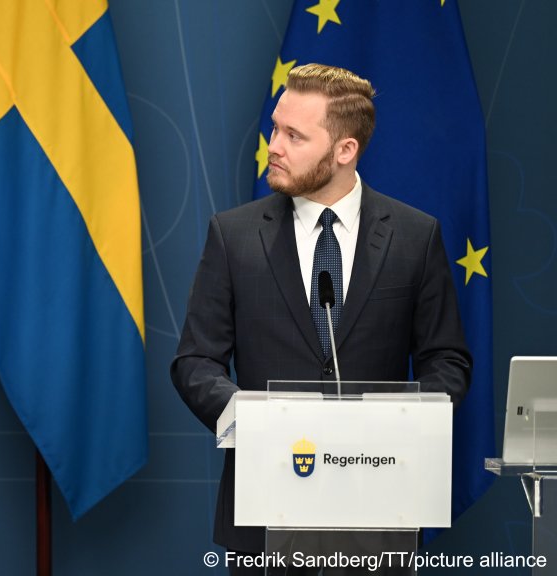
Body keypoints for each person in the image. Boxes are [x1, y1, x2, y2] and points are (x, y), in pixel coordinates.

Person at [170, 63, 471, 575]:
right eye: (274, 128)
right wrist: (260, 423)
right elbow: (195, 362)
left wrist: (398, 426)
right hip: (264, 513)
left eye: (293, 135)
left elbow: (447, 360)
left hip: (379, 508)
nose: (274, 146)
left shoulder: (415, 237)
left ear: (345, 151)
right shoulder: (234, 235)